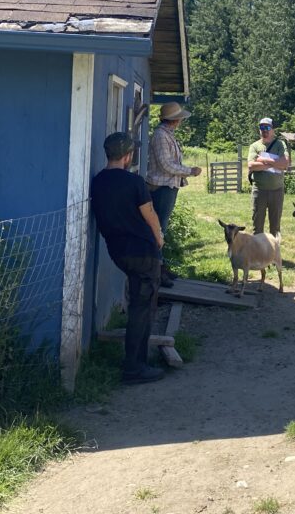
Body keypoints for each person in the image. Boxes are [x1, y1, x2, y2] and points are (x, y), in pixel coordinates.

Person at [90, 131, 166, 384]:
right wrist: (159, 238)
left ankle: (138, 362)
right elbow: (150, 214)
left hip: (118, 250)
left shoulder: (98, 181)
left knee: (138, 304)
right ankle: (134, 368)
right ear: (127, 155)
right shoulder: (134, 182)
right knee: (142, 310)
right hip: (143, 252)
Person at [146, 102, 203, 287]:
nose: (180, 121)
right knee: (158, 229)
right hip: (162, 187)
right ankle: (156, 271)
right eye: (179, 118)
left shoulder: (166, 134)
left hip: (166, 186)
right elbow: (166, 165)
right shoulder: (161, 136)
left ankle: (160, 268)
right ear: (174, 120)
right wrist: (189, 171)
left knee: (161, 228)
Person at [247, 117, 289, 235]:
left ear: (272, 129)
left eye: (267, 127)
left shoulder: (280, 144)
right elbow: (251, 166)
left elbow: (285, 164)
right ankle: (258, 251)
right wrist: (274, 164)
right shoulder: (254, 146)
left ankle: (274, 251)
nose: (264, 130)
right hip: (259, 191)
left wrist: (264, 160)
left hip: (277, 191)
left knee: (275, 227)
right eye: (261, 127)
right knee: (257, 225)